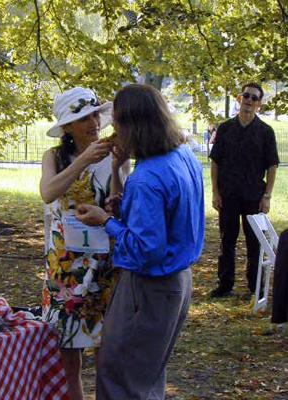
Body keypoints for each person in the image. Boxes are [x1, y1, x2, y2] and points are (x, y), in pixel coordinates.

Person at [76, 84, 205, 400]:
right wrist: (125, 205)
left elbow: (146, 250)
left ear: (132, 124)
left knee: (119, 374)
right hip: (178, 283)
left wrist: (106, 221)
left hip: (149, 287)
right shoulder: (183, 156)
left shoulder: (147, 177)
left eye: (117, 121)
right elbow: (171, 216)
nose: (112, 128)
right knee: (147, 373)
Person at [39, 87, 130, 400]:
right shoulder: (53, 156)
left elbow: (119, 203)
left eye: (94, 115)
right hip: (64, 266)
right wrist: (82, 162)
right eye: (82, 118)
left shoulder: (112, 151)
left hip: (104, 262)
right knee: (68, 351)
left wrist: (117, 168)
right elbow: (49, 192)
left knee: (107, 349)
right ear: (67, 128)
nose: (93, 123)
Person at [209, 82, 279, 298]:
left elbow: (272, 166)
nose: (249, 101)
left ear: (259, 104)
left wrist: (266, 196)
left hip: (253, 197)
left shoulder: (266, 132)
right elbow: (215, 163)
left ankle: (255, 287)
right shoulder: (225, 128)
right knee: (226, 242)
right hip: (227, 196)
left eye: (254, 98)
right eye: (246, 96)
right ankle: (225, 285)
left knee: (254, 245)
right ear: (240, 99)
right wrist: (215, 192)